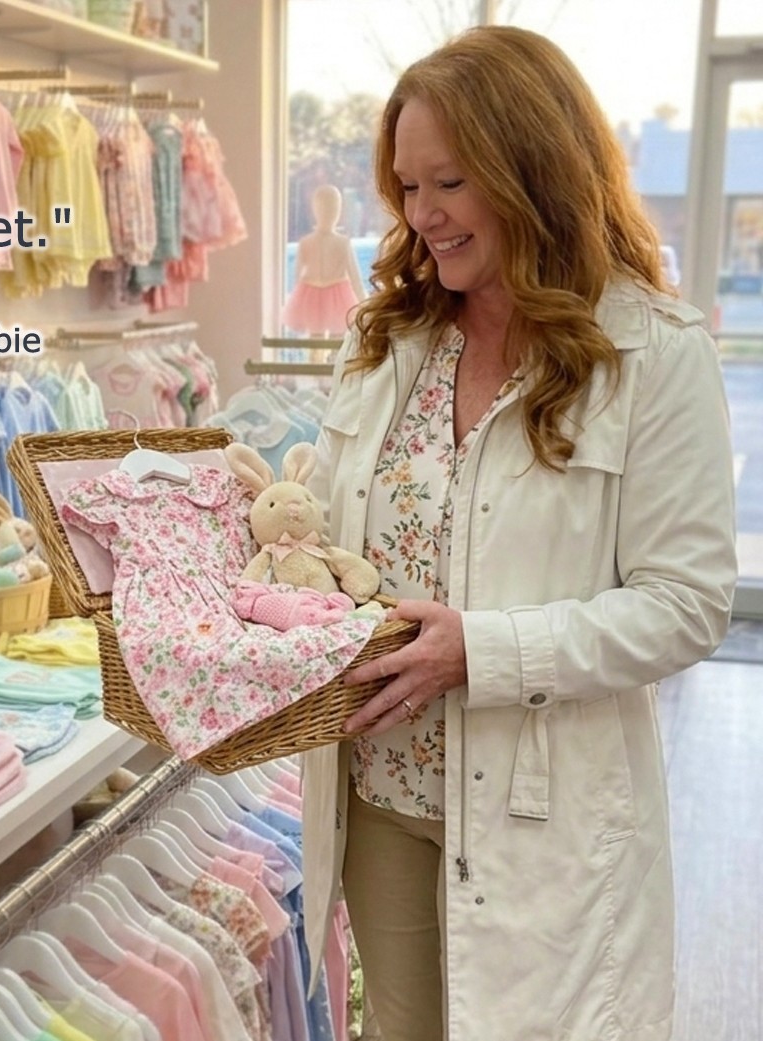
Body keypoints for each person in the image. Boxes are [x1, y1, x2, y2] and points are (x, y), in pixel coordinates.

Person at [299, 26, 738, 1041]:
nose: (422, 216)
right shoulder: (389, 345)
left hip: (543, 814)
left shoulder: (651, 355)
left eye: (448, 182)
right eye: (406, 188)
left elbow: (685, 606)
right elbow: (325, 537)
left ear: (530, 167)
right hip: (380, 797)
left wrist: (482, 652)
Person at [282, 184, 367, 336]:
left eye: (333, 209)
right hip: (313, 295)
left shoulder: (343, 242)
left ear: (339, 212)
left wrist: (363, 303)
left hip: (338, 296)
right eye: (324, 209)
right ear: (315, 210)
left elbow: (355, 277)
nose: (329, 214)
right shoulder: (306, 242)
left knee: (337, 342)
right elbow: (297, 278)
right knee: (316, 343)